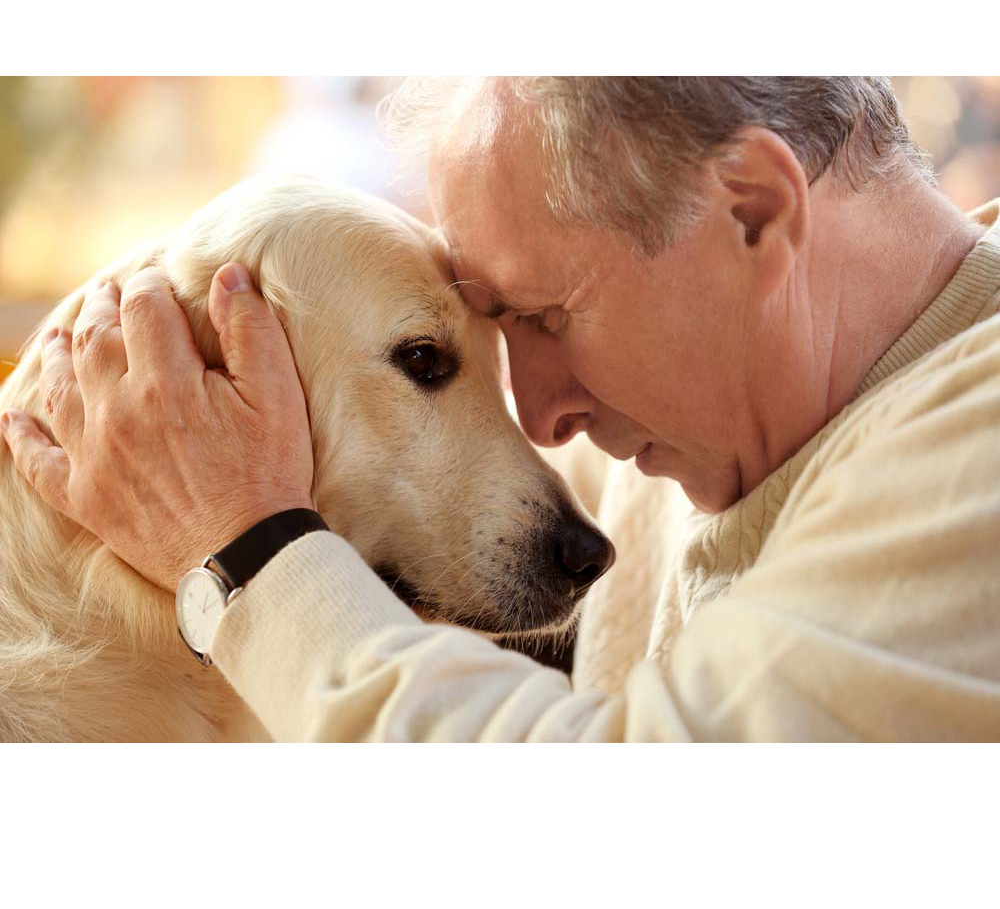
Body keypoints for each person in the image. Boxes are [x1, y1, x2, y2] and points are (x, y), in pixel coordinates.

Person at [3, 76, 999, 741]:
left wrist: (245, 554)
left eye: (547, 314)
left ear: (751, 209)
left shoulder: (974, 445)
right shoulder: (704, 427)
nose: (546, 411)